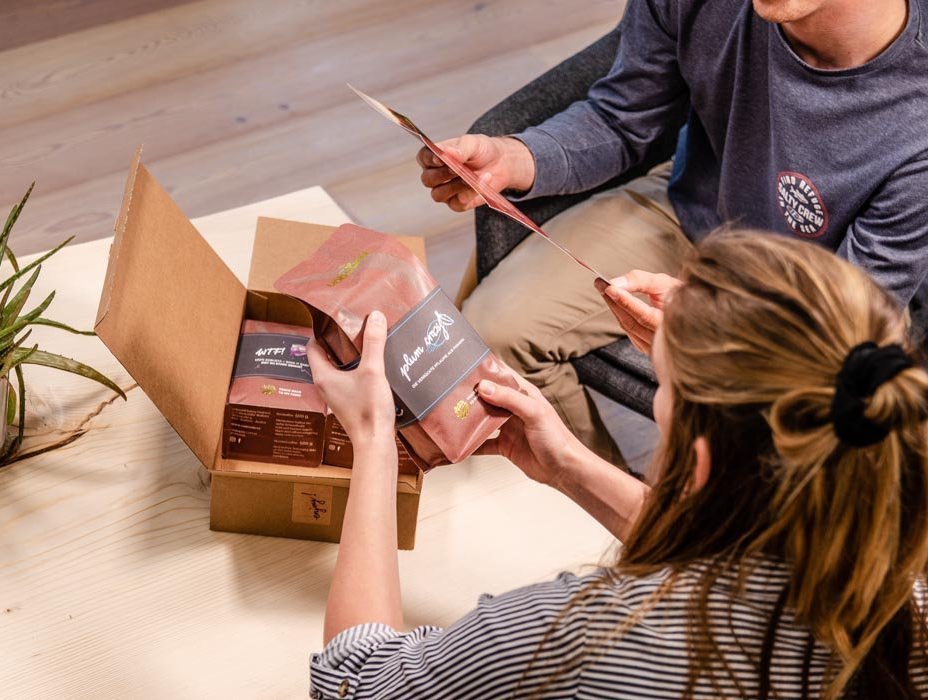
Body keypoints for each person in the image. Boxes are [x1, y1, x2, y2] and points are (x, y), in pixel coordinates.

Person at [307, 231, 928, 699]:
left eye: (665, 390)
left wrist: (374, 439)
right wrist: (568, 466)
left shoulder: (585, 635)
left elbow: (353, 680)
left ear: (700, 466)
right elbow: (738, 550)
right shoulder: (894, 572)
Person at [417, 0, 928, 465]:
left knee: (792, 439)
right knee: (495, 331)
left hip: (820, 302)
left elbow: (845, 317)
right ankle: (622, 508)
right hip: (697, 212)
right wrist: (513, 158)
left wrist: (711, 324)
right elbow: (621, 117)